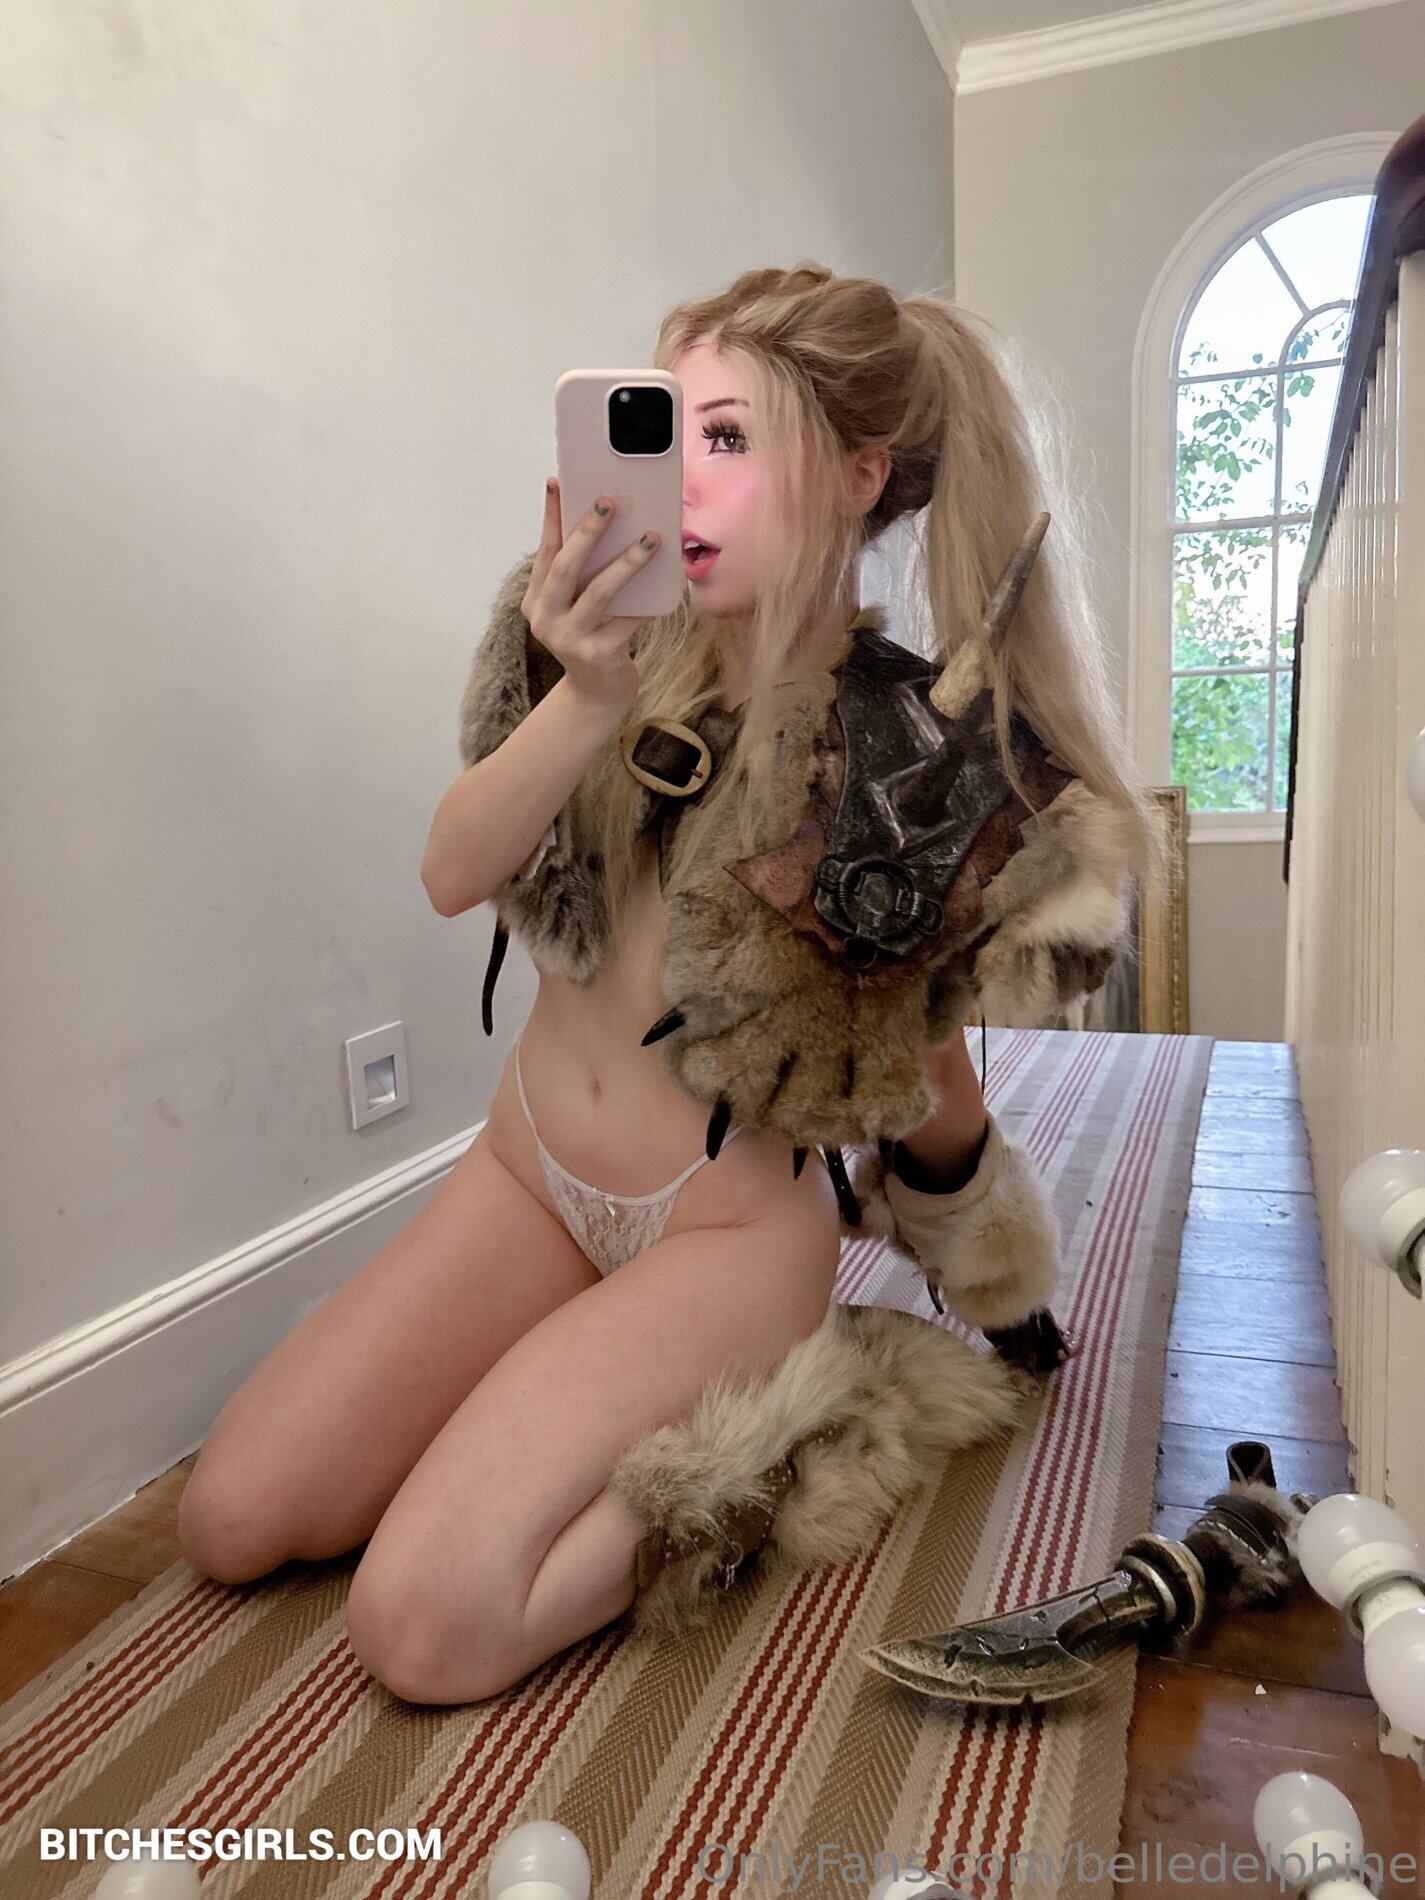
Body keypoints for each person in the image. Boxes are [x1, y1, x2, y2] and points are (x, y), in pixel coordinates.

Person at [178, 266, 1160, 1706]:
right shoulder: (590, 636)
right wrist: (587, 695)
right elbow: (453, 872)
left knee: (423, 1627)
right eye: (663, 427)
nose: (679, 478)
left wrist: (991, 1277)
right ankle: (577, 1382)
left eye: (729, 438)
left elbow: (924, 1069)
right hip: (529, 1178)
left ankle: (791, 1434)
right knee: (233, 1517)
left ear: (856, 475)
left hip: (726, 1233)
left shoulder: (910, 754)